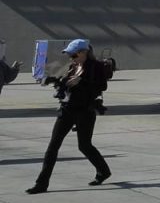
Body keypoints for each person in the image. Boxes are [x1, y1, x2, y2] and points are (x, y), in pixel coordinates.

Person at [27, 39, 112, 194]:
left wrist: (82, 80)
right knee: (53, 147)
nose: (71, 58)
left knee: (84, 146)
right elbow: (64, 84)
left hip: (85, 111)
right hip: (67, 110)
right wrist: (54, 80)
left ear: (84, 52)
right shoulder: (72, 67)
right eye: (69, 55)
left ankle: (104, 171)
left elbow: (102, 86)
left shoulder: (96, 67)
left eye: (73, 55)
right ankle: (41, 184)